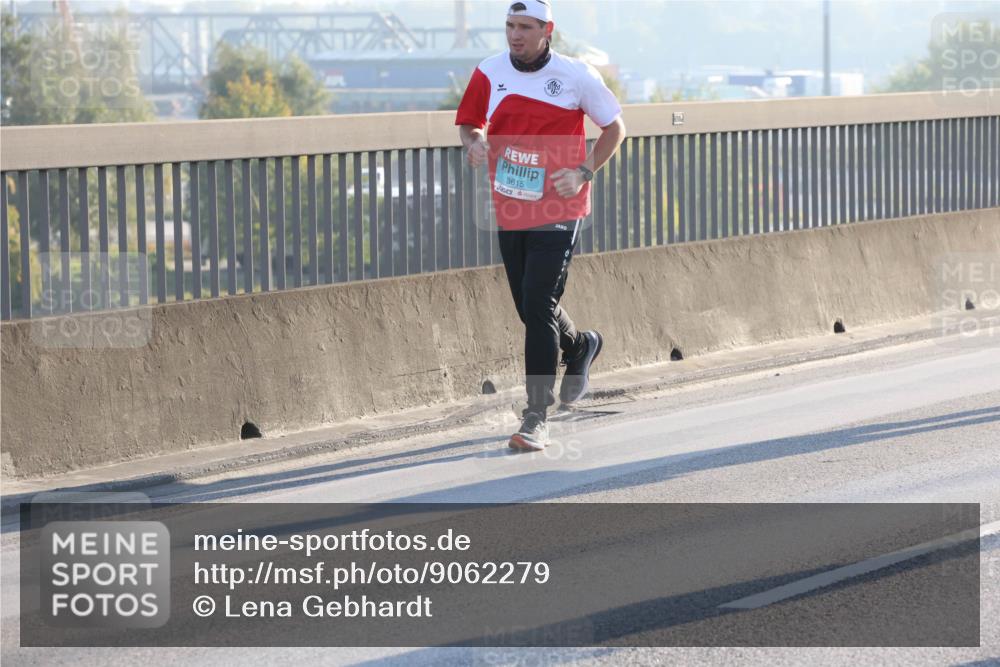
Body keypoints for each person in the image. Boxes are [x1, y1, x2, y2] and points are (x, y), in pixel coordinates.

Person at [455, 0, 626, 452]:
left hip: (561, 206)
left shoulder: (576, 75)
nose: (515, 34)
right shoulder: (489, 72)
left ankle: (536, 416)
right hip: (511, 204)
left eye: (525, 27)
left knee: (537, 301)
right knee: (531, 308)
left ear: (546, 29)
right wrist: (474, 144)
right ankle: (579, 346)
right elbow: (471, 123)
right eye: (510, 26)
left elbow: (615, 129)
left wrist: (584, 171)